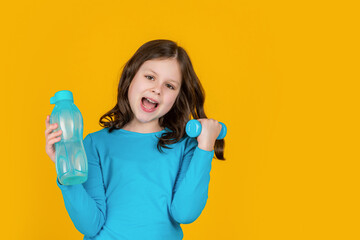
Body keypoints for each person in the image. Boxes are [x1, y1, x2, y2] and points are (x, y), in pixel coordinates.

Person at [45, 39, 226, 240]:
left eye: (169, 85)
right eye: (150, 77)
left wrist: (205, 147)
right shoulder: (95, 144)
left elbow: (185, 213)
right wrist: (65, 167)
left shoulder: (185, 146)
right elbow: (90, 225)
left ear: (177, 96)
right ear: (131, 76)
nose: (157, 89)